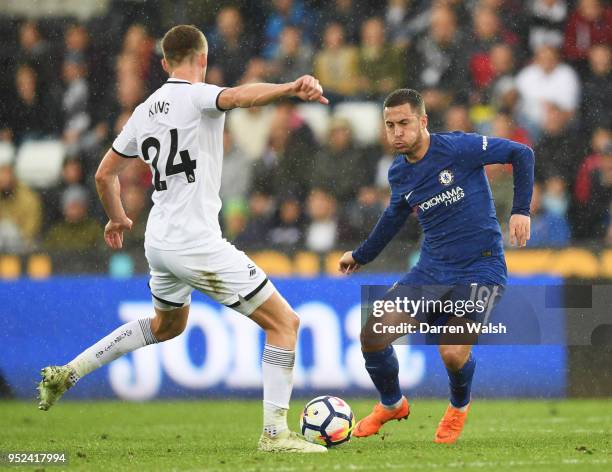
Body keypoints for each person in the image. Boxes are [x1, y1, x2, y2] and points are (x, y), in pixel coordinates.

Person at [37, 24, 328, 454]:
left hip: (158, 238)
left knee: (166, 326)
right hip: (195, 240)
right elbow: (238, 97)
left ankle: (68, 372)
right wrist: (290, 86)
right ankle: (274, 435)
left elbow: (104, 174)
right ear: (203, 59)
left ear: (163, 63)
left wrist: (117, 218)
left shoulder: (143, 109)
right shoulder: (198, 95)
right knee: (285, 324)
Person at [338, 89, 534, 444]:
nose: (396, 132)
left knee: (452, 351)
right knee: (372, 334)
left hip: (481, 268)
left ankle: (458, 405)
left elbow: (521, 153)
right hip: (431, 270)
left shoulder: (458, 148)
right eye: (389, 125)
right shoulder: (400, 173)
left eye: (404, 123)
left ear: (423, 121)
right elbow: (393, 216)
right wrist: (361, 255)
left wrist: (521, 209)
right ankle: (392, 403)